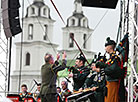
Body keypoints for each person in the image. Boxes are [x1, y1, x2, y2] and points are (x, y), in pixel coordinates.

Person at [103, 37, 124, 102]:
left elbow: (113, 69)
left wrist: (103, 69)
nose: (105, 48)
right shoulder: (111, 58)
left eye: (106, 46)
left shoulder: (115, 57)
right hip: (109, 82)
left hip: (113, 82)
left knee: (112, 99)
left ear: (110, 47)